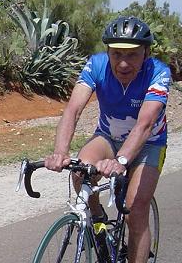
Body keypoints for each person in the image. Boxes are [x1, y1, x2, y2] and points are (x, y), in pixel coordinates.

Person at [45, 16, 171, 263]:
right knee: (80, 171)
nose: (123, 63)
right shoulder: (96, 65)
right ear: (107, 52)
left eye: (132, 55)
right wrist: (60, 152)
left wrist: (121, 160)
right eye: (116, 54)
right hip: (108, 137)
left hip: (149, 144)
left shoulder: (159, 72)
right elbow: (73, 109)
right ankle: (98, 218)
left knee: (135, 209)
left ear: (145, 53)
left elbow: (145, 124)